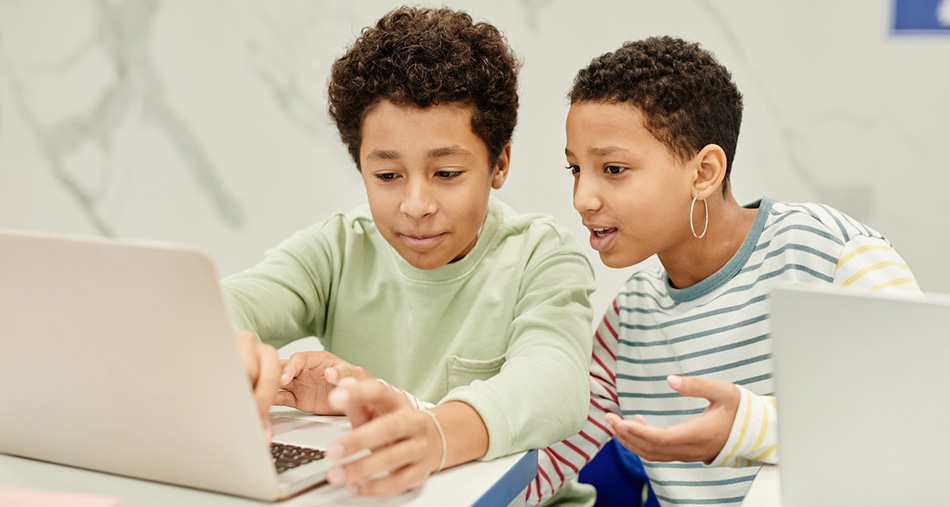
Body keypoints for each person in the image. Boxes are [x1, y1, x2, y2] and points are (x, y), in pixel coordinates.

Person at [529, 36, 922, 506]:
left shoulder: (829, 252)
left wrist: (747, 427)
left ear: (704, 172)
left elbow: (924, 417)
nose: (582, 199)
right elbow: (542, 472)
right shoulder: (626, 322)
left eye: (613, 169)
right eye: (575, 168)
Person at [225, 6, 597, 498]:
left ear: (499, 162)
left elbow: (555, 384)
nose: (415, 206)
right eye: (386, 176)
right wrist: (224, 343)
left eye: (446, 174)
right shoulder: (339, 248)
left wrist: (436, 434)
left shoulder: (541, 257)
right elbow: (232, 302)